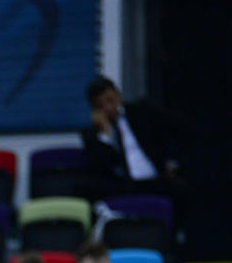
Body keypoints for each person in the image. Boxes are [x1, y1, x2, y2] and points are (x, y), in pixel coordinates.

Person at [79, 76, 186, 207]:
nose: (108, 107)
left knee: (182, 189)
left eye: (110, 100)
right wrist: (106, 135)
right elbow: (102, 170)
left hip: (156, 178)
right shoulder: (92, 135)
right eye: (101, 106)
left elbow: (176, 127)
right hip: (123, 186)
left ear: (118, 96)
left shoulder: (141, 111)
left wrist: (173, 160)